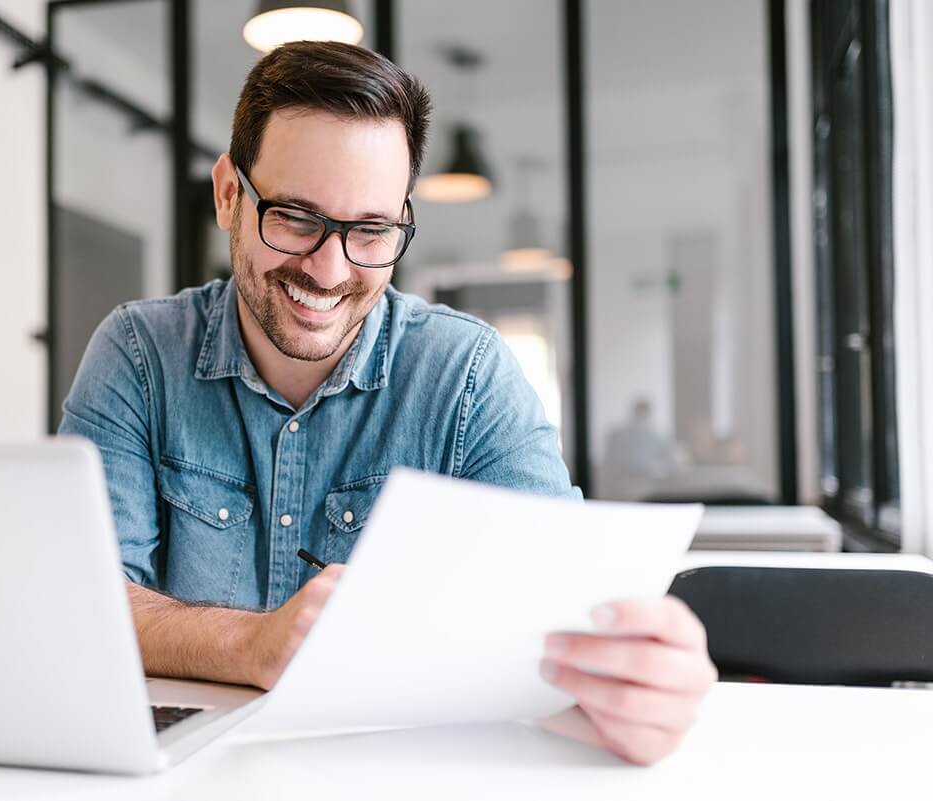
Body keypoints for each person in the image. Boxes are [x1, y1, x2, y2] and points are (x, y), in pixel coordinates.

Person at [60, 41, 715, 765]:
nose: (330, 269)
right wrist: (252, 641)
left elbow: (567, 623)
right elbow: (80, 603)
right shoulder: (139, 355)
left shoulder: (467, 375)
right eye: (296, 217)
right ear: (227, 196)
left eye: (370, 230)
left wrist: (636, 678)